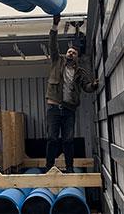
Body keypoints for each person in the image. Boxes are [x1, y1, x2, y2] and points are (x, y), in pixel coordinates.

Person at [45, 14, 98, 173]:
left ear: (77, 58)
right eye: (69, 51)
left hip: (69, 110)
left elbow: (86, 87)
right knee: (52, 138)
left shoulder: (80, 72)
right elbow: (52, 45)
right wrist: (55, 26)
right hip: (54, 108)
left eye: (74, 53)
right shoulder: (57, 61)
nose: (70, 54)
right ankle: (49, 168)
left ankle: (69, 168)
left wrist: (93, 85)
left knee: (68, 140)